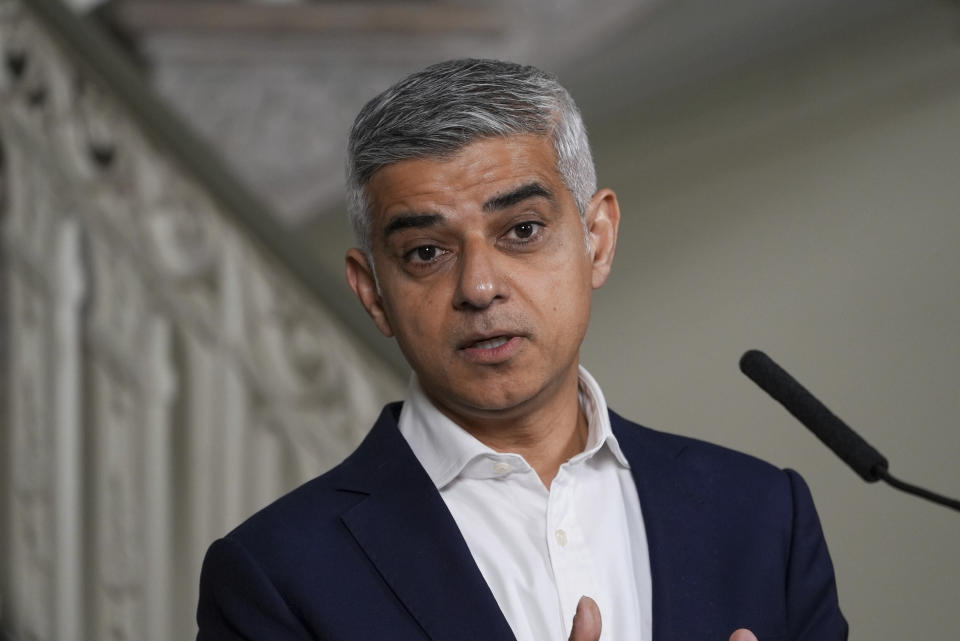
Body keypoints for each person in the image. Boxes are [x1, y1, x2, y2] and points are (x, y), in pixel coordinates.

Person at [196, 59, 847, 641]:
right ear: (373, 293)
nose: (479, 287)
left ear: (597, 237)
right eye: (426, 251)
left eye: (523, 229)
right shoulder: (275, 575)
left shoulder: (763, 516)